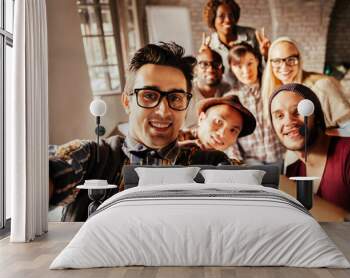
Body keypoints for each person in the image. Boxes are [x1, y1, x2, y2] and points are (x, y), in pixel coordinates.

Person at [49, 42, 233, 222]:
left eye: (175, 98)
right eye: (149, 96)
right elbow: (53, 173)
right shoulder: (92, 157)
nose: (163, 111)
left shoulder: (211, 163)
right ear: (127, 102)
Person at [268, 83, 350, 217]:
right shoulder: (293, 173)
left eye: (299, 111)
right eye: (279, 116)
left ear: (317, 116)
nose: (289, 121)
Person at [262, 37, 350, 136]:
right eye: (277, 61)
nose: (284, 66)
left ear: (299, 60)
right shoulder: (275, 92)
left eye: (291, 59)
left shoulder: (322, 86)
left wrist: (317, 137)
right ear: (270, 64)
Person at [225, 43, 285, 164]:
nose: (246, 70)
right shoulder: (230, 98)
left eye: (250, 63)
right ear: (231, 67)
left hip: (281, 155)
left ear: (257, 61)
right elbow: (229, 137)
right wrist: (237, 162)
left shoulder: (275, 87)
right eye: (238, 66)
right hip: (251, 161)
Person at [201, 0, 271, 85]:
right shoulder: (210, 45)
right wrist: (203, 57)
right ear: (213, 19)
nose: (227, 20)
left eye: (231, 15)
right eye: (221, 16)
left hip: (256, 87)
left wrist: (267, 55)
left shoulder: (252, 35)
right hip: (227, 91)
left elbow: (263, 68)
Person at [179, 94, 256, 152]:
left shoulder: (223, 161)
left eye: (233, 130)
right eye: (219, 121)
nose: (222, 134)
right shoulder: (173, 142)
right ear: (201, 119)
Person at [184, 48, 231, 129]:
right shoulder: (185, 93)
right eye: (204, 64)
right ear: (195, 70)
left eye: (216, 64)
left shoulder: (227, 91)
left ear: (222, 70)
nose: (210, 69)